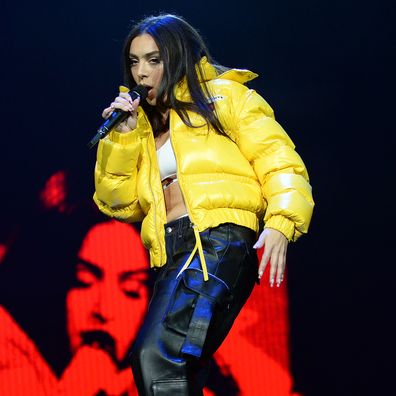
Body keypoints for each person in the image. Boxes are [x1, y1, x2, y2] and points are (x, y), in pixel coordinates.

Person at [93, 13, 314, 395]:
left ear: (177, 57)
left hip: (216, 238)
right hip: (172, 250)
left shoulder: (223, 96)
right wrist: (123, 139)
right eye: (134, 62)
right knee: (181, 370)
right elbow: (120, 204)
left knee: (155, 356)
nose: (141, 73)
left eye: (153, 59)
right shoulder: (142, 125)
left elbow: (278, 158)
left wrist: (281, 221)